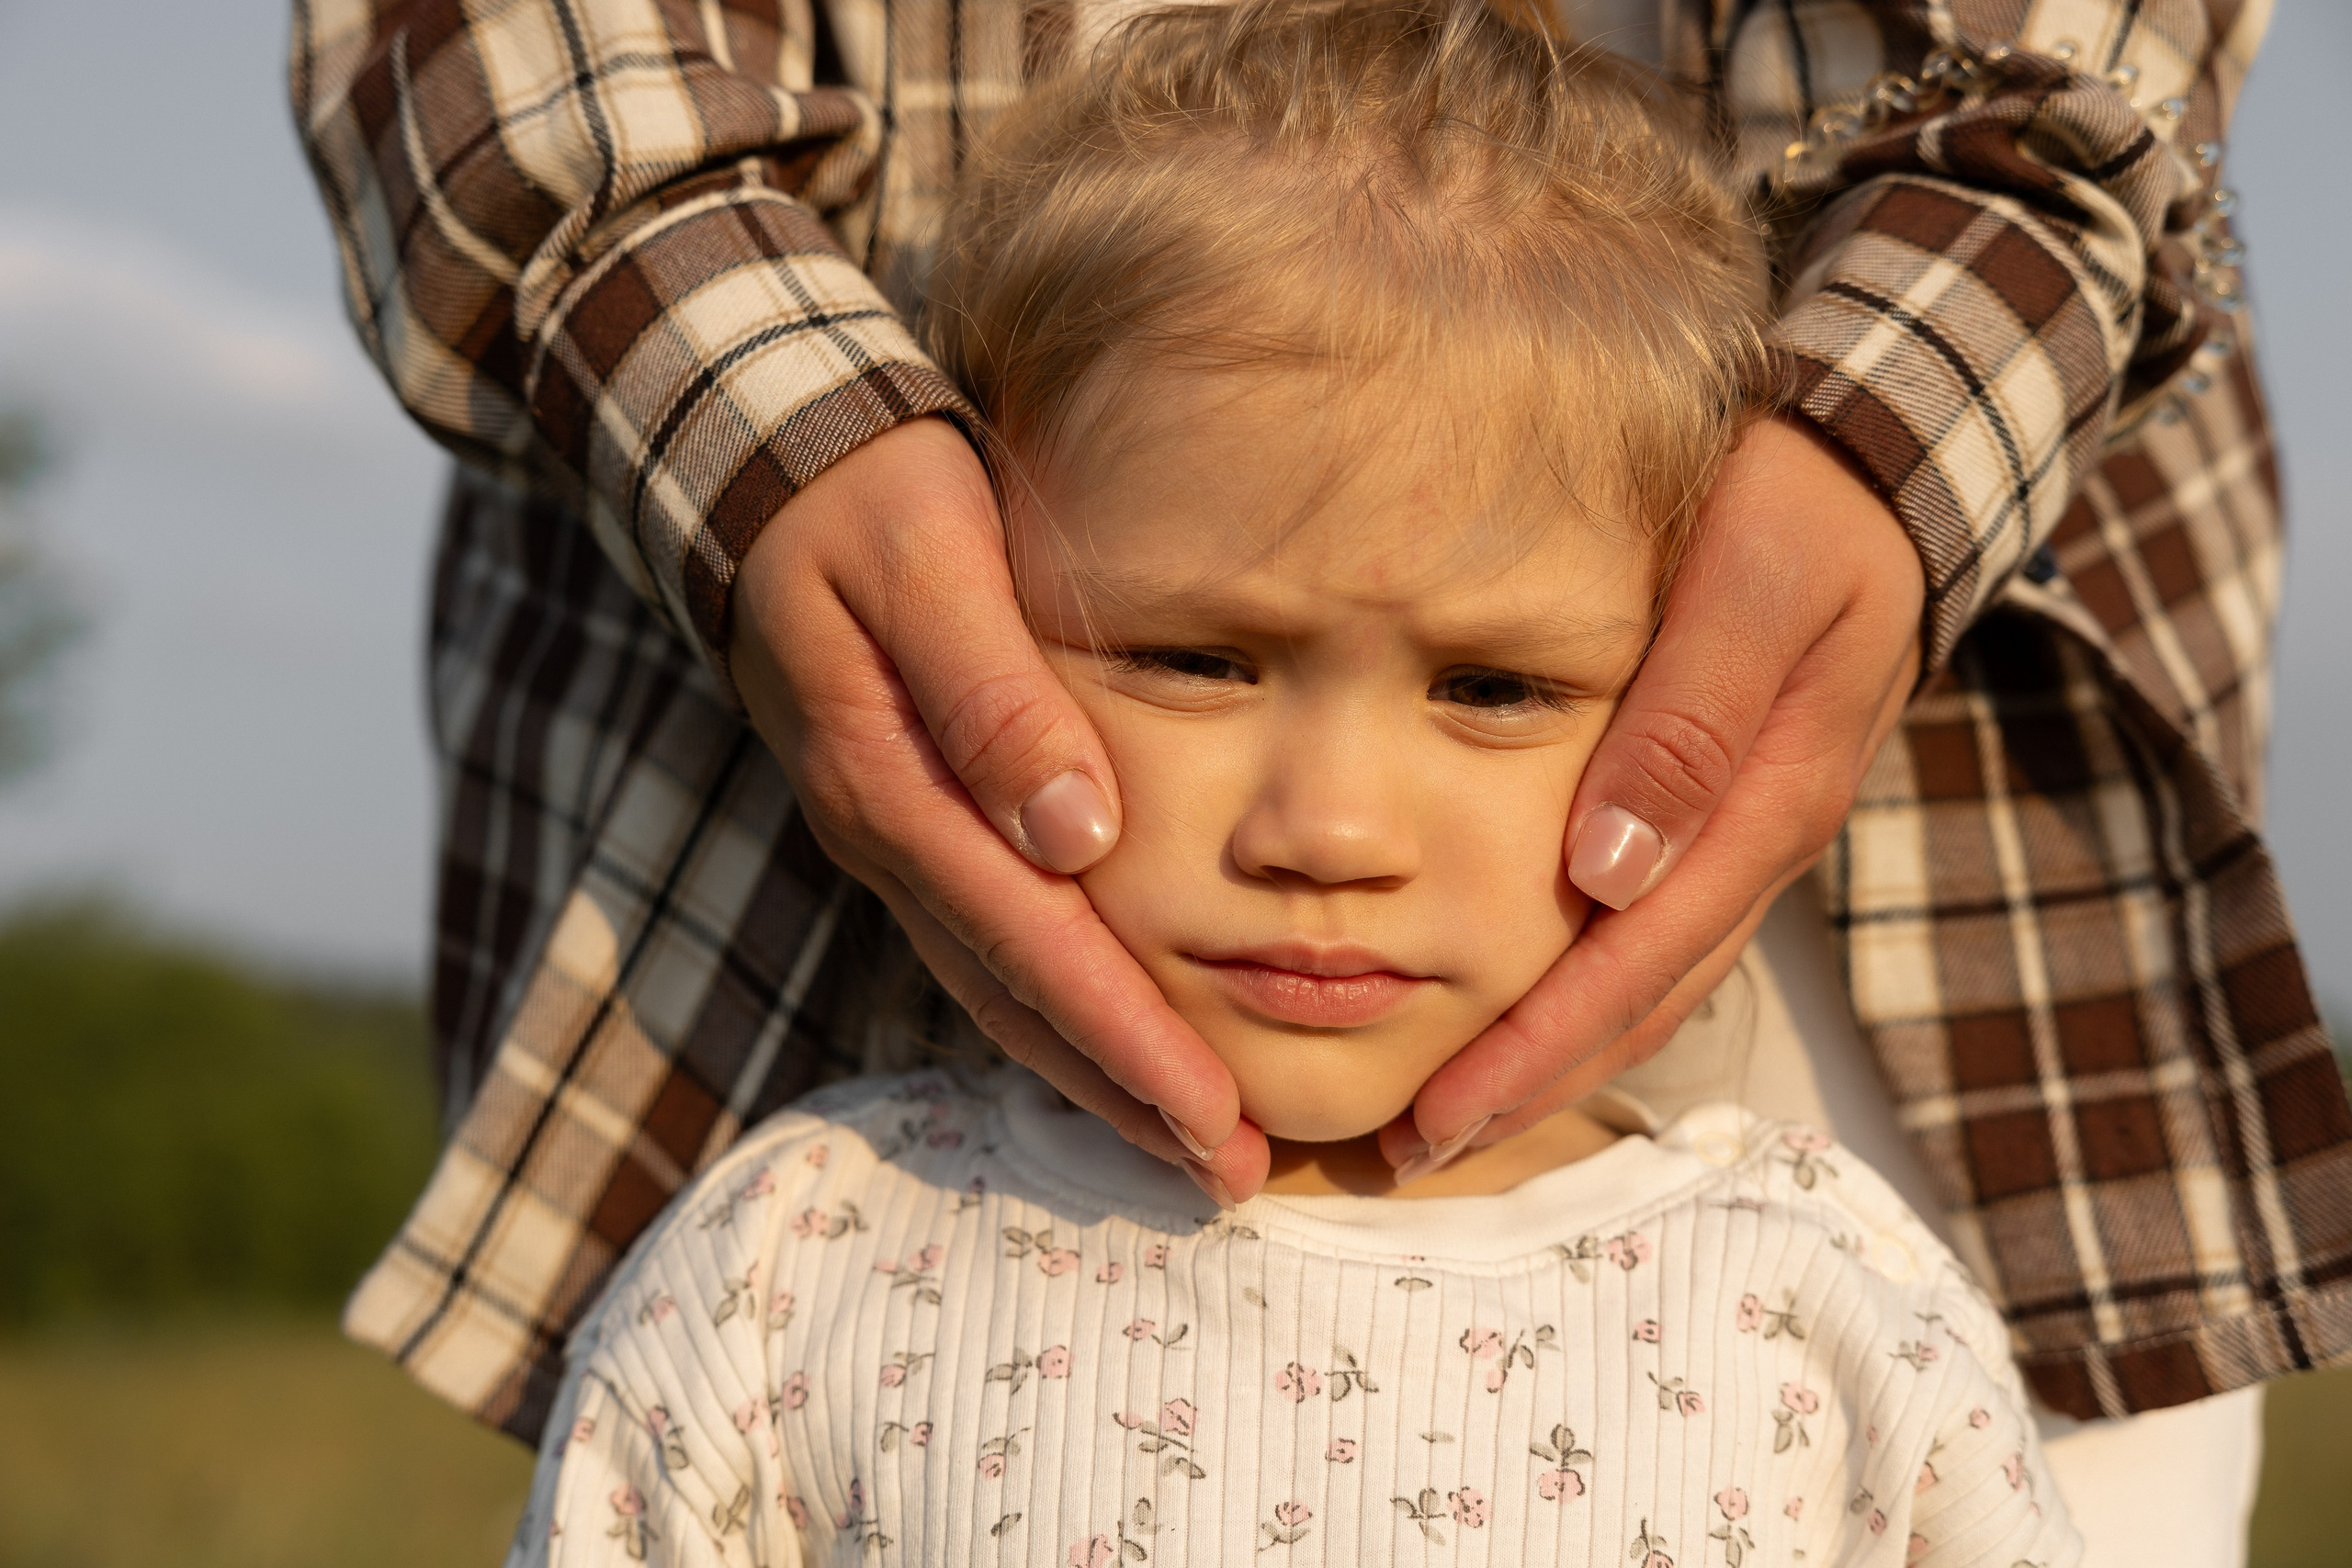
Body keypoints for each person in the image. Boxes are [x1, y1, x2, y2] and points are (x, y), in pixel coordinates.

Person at [299, 0, 2347, 1554]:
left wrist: (1933, 369)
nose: (1327, 831)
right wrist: (727, 403)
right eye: (1192, 656)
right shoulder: (782, 1268)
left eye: (1490, 684)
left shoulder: (1834, 1310)